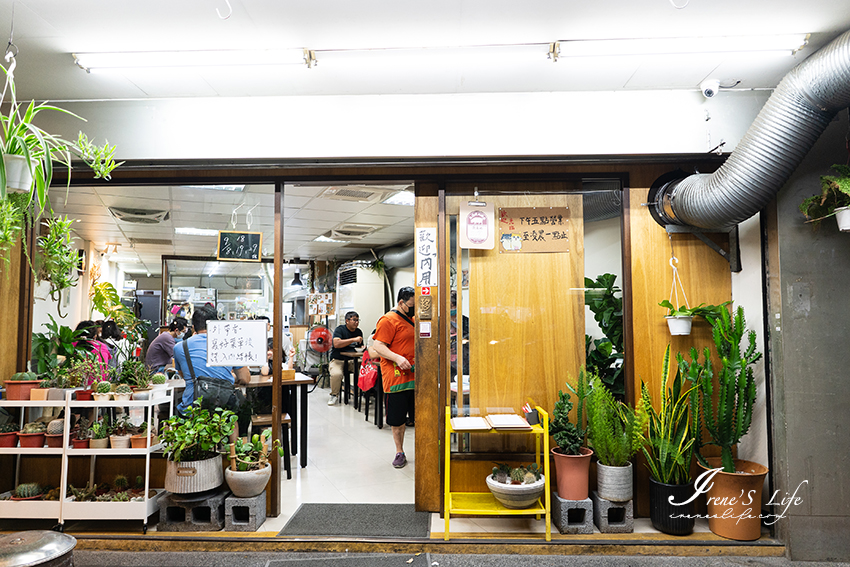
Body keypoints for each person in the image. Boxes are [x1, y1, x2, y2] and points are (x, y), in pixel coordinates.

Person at [172, 305, 250, 435]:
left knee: (181, 409)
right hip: (223, 407)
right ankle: (234, 452)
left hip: (193, 408)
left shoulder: (180, 347)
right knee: (235, 414)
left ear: (193, 328)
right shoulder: (230, 344)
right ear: (216, 326)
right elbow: (245, 378)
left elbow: (184, 375)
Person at [371, 287, 416, 468]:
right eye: (411, 306)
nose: (414, 309)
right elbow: (378, 346)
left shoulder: (413, 319)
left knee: (418, 416)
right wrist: (397, 358)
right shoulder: (388, 320)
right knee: (397, 419)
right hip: (396, 378)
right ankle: (399, 451)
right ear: (401, 303)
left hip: (416, 375)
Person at [328, 311, 364, 406]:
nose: (356, 322)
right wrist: (353, 339)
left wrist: (362, 348)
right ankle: (334, 395)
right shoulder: (340, 330)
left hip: (352, 360)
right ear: (347, 321)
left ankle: (360, 395)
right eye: (354, 320)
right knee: (336, 374)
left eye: (358, 320)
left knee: (364, 371)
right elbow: (336, 344)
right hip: (338, 360)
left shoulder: (358, 332)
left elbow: (360, 346)